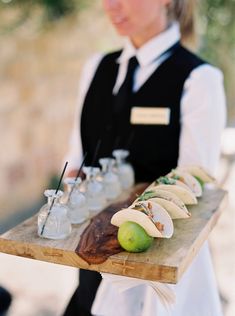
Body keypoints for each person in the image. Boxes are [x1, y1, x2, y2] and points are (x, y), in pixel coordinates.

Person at [63, 0, 226, 315]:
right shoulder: (96, 67)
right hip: (92, 263)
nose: (111, 5)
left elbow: (195, 189)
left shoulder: (199, 80)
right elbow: (75, 164)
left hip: (155, 284)